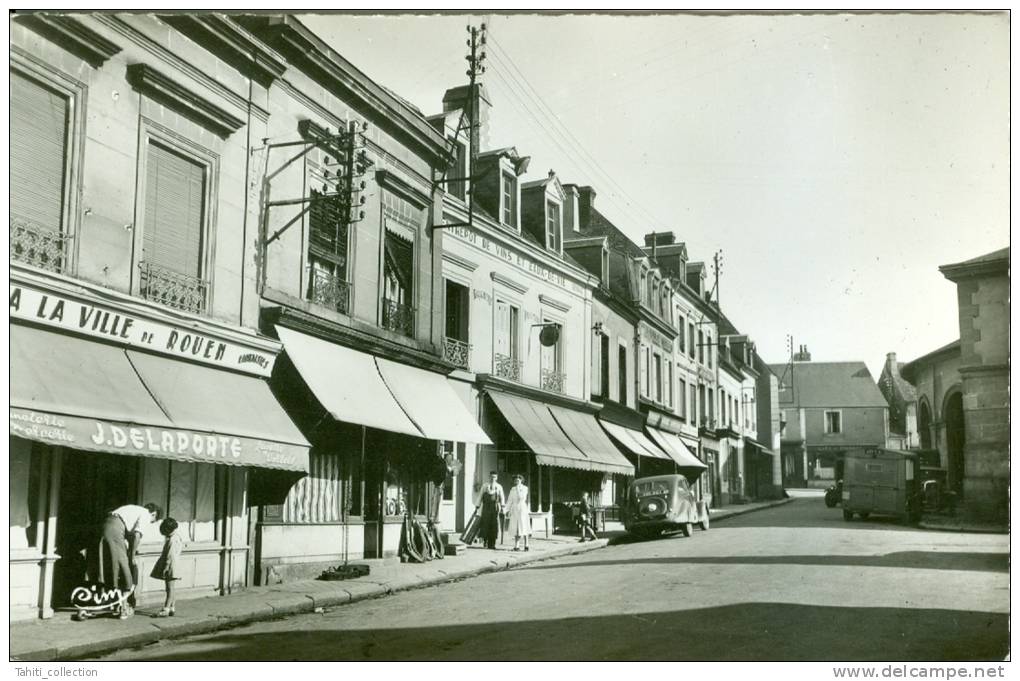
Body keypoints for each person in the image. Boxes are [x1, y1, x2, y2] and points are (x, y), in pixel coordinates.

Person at [102, 502, 162, 619]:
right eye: (152, 521)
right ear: (153, 514)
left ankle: (114, 603)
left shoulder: (133, 509)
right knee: (126, 569)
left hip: (106, 525)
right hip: (115, 530)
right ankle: (123, 607)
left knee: (112, 566)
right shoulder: (145, 514)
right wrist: (132, 555)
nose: (150, 523)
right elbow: (137, 535)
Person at [150, 517, 185, 617]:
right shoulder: (176, 537)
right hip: (175, 566)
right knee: (172, 588)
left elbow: (170, 556)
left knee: (169, 589)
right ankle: (172, 607)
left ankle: (166, 609)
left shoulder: (172, 540)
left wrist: (166, 568)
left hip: (171, 567)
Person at [478, 471, 505, 550]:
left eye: (494, 477)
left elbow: (502, 497)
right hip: (486, 508)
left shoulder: (499, 487)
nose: (492, 478)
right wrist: (477, 505)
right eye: (491, 477)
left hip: (495, 508)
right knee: (485, 524)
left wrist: (503, 507)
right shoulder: (485, 486)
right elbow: (480, 496)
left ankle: (492, 543)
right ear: (489, 477)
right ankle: (485, 541)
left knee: (494, 525)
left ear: (496, 478)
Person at [505, 474, 532, 551]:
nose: (517, 481)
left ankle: (526, 545)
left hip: (522, 509)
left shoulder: (525, 488)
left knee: (524, 526)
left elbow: (521, 497)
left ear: (521, 480)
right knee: (516, 528)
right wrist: (506, 510)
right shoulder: (512, 489)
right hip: (515, 510)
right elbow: (510, 500)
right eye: (515, 480)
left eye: (518, 480)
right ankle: (516, 546)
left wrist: (518, 488)